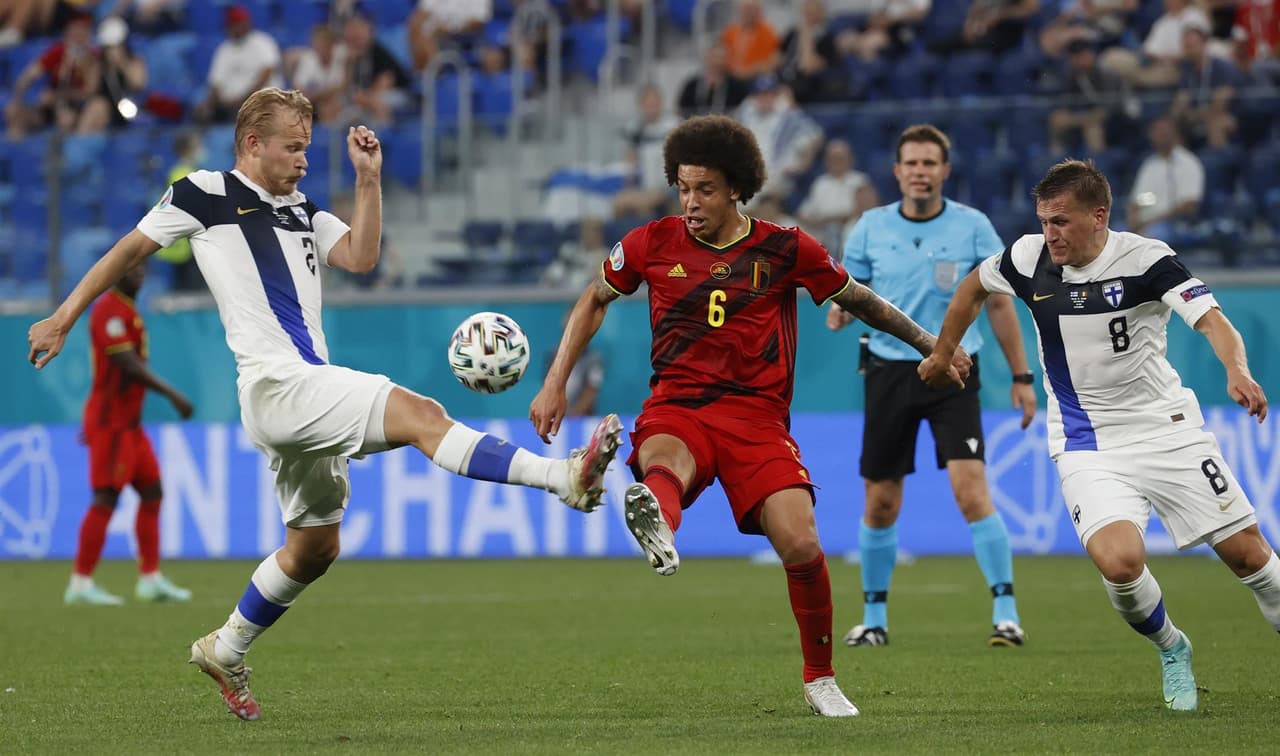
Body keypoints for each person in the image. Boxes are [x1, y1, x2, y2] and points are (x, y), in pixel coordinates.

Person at [28, 87, 624, 722]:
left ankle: (226, 647)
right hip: (276, 385)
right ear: (252, 144)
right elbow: (128, 250)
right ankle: (562, 477)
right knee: (422, 416)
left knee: (315, 548)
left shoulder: (301, 209)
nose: (304, 160)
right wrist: (63, 317)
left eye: (308, 148)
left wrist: (369, 180)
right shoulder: (203, 192)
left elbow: (360, 258)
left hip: (303, 389)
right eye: (293, 147)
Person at [529, 114, 969, 718]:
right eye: (683, 188)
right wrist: (556, 382)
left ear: (737, 188)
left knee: (801, 541)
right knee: (664, 461)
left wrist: (931, 345)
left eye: (705, 190)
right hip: (679, 405)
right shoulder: (651, 242)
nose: (690, 203)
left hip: (757, 420)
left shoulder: (786, 248)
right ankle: (658, 520)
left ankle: (820, 679)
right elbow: (593, 298)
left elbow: (860, 300)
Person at [918, 159, 1276, 712]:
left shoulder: (1147, 260)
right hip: (1085, 441)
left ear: (1099, 216)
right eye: (1044, 221)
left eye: (1061, 221)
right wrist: (943, 352)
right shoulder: (1027, 258)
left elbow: (1212, 320)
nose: (1050, 234)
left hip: (1166, 431)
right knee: (1120, 564)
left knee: (1248, 557)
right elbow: (972, 288)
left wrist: (1237, 370)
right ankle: (1172, 647)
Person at [828, 124, 1035, 649]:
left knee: (971, 490)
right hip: (888, 370)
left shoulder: (973, 226)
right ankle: (874, 620)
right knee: (880, 501)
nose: (920, 172)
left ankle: (1006, 614)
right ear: (897, 171)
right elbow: (851, 290)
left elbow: (1000, 303)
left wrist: (1021, 376)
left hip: (955, 368)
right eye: (912, 163)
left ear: (945, 171)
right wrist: (840, 311)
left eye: (929, 163)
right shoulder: (870, 227)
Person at [65, 260, 195, 606]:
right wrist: (172, 394)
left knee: (152, 492)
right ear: (116, 274)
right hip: (112, 424)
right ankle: (80, 583)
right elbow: (126, 363)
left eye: (141, 269)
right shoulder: (108, 309)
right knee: (106, 498)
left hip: (130, 425)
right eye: (131, 269)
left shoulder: (127, 309)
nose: (138, 274)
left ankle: (150, 579)